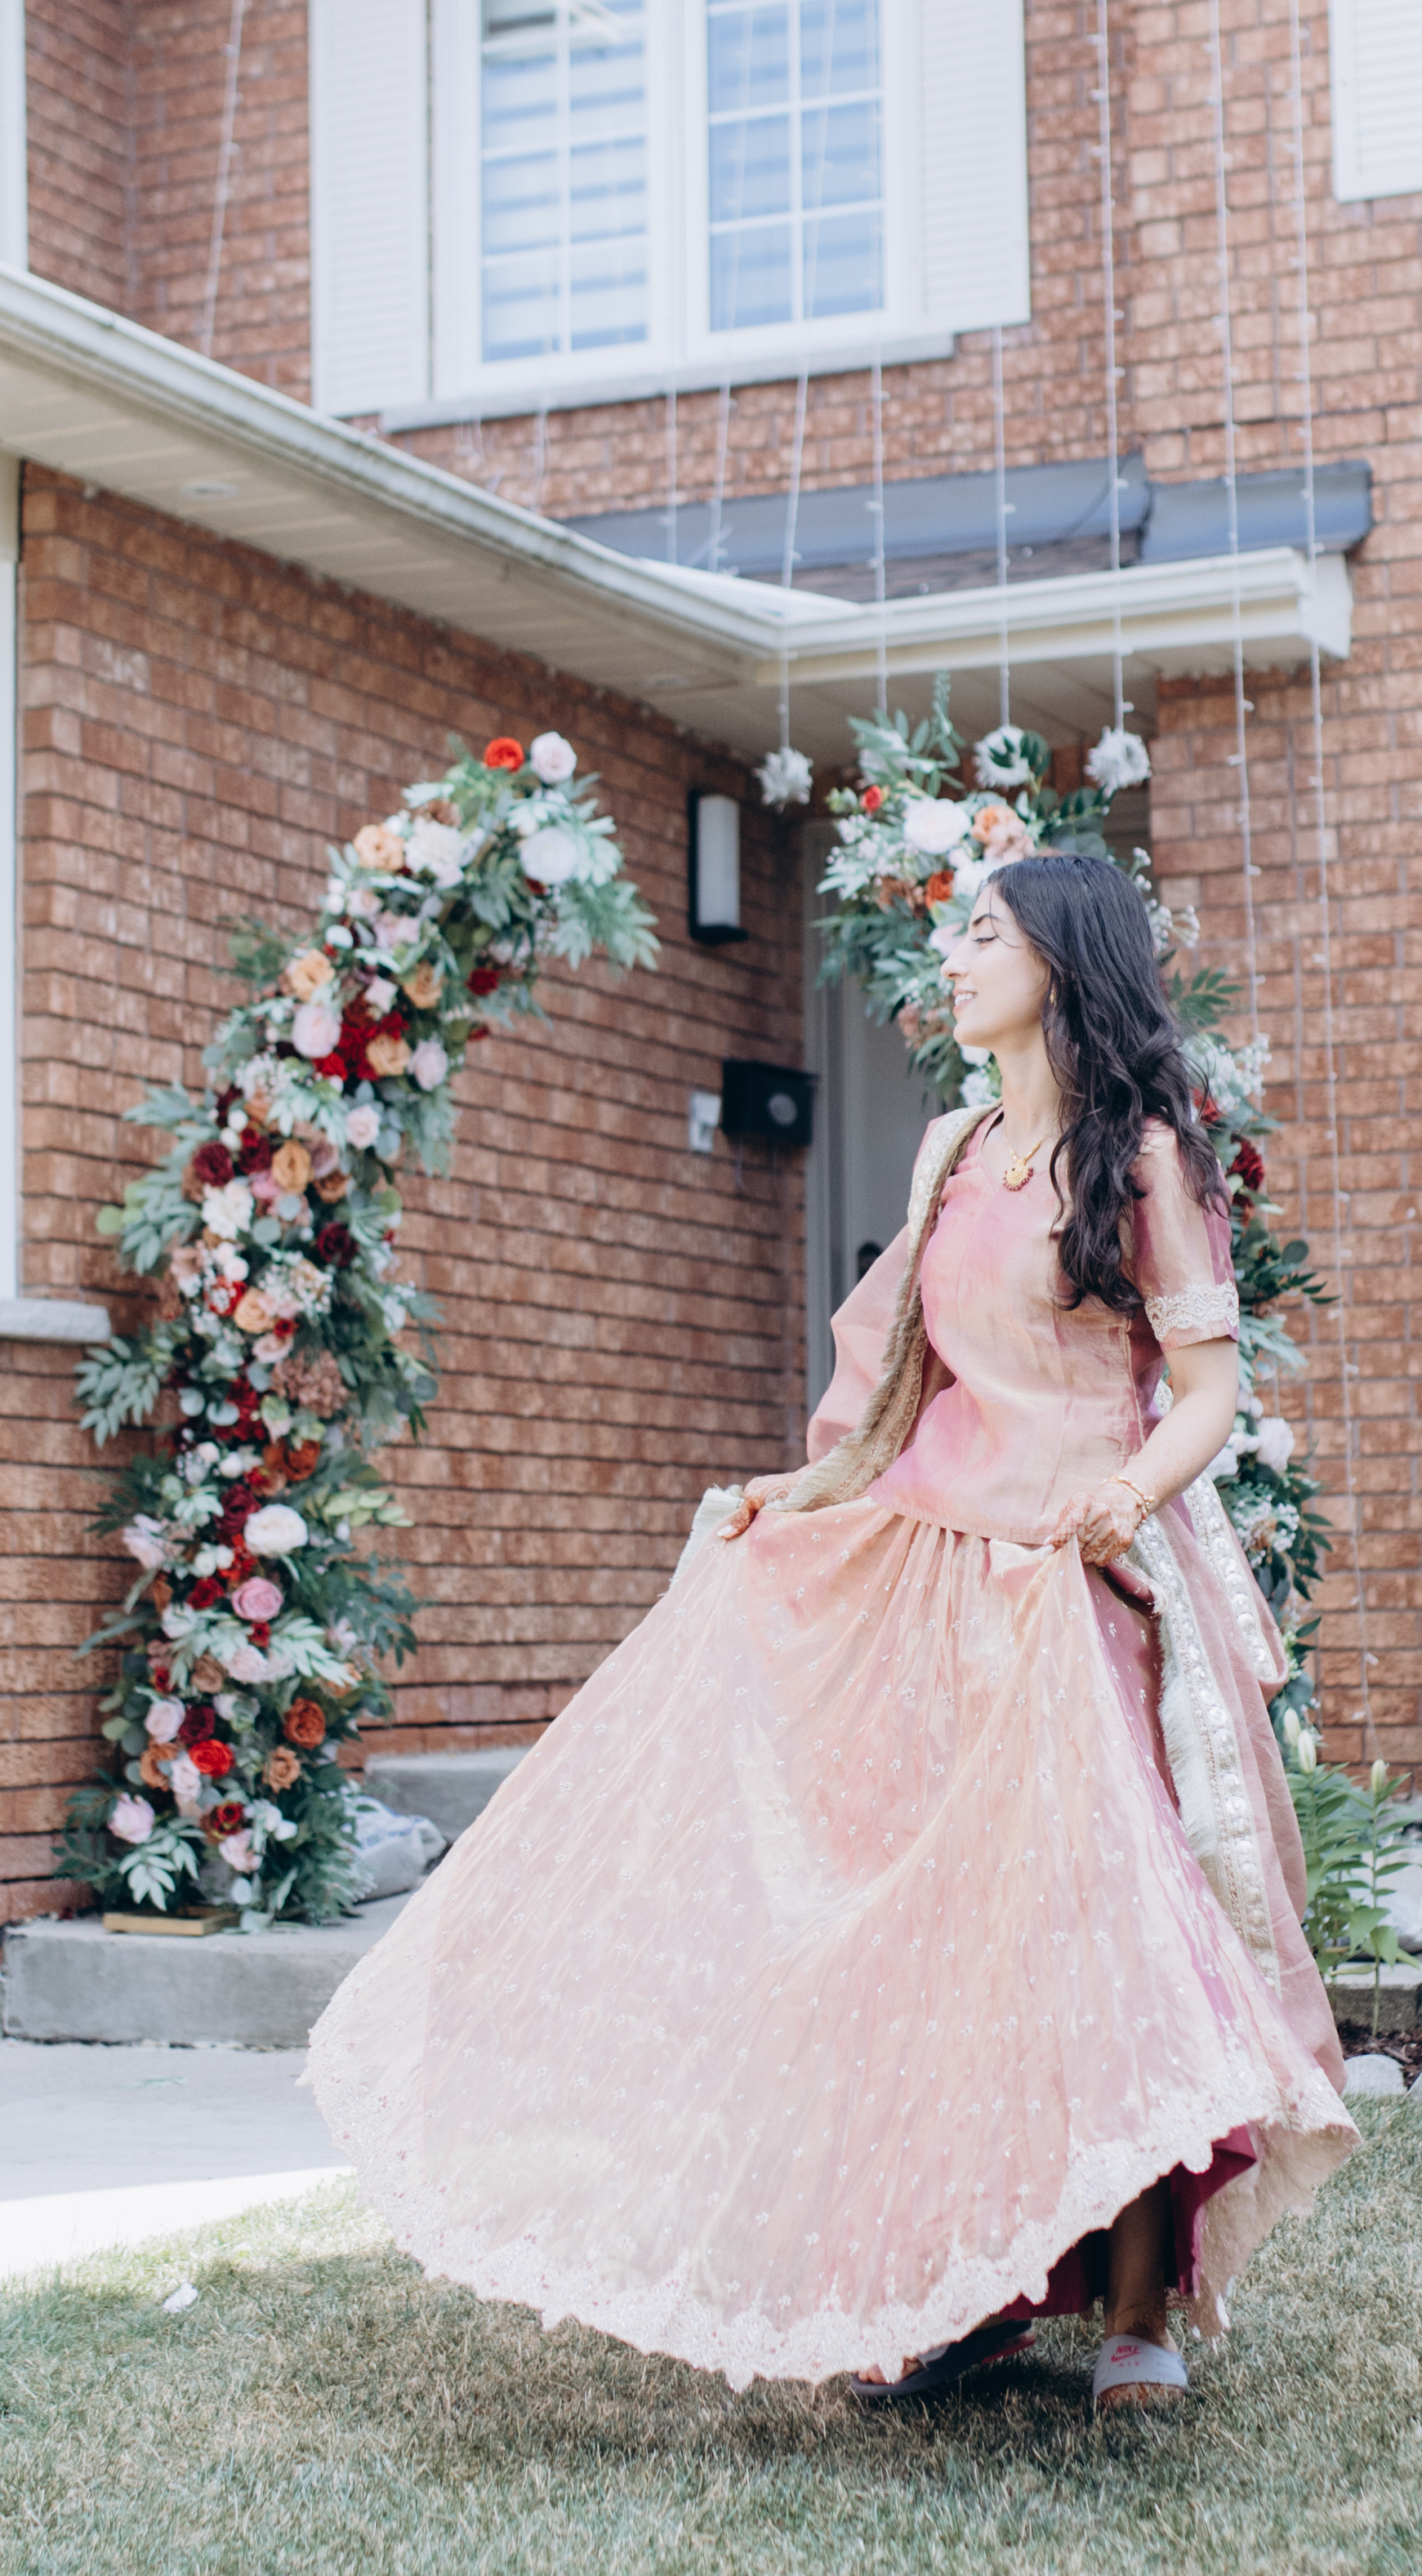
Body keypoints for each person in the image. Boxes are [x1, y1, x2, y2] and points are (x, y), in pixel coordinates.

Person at [308, 853, 1353, 2416]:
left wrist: (1127, 1497)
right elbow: (896, 1390)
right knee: (933, 1949)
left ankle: (1139, 2308)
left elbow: (1208, 1391)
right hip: (930, 1580)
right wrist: (791, 1498)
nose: (955, 958)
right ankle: (960, 2286)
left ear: (1061, 962)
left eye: (983, 935)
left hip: (1078, 1585)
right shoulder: (951, 1151)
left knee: (1101, 1942)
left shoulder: (1140, 1160)